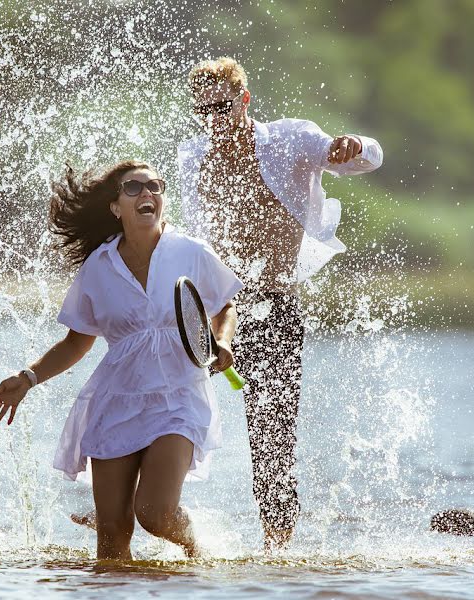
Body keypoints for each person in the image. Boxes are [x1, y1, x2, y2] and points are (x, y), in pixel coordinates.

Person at [0, 160, 243, 561]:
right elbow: (76, 342)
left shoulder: (190, 252)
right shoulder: (98, 268)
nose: (147, 194)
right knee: (112, 542)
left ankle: (194, 544)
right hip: (116, 399)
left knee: (154, 514)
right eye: (134, 188)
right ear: (116, 207)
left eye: (155, 186)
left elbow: (224, 305)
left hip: (178, 396)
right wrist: (29, 377)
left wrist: (221, 341)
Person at [178, 57, 383, 551]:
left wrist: (352, 146)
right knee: (158, 401)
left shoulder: (289, 139)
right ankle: (127, 500)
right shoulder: (193, 156)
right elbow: (188, 238)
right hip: (207, 306)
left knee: (271, 436)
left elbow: (366, 157)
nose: (212, 121)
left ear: (243, 101)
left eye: (221, 109)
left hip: (272, 306)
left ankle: (277, 549)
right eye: (201, 112)